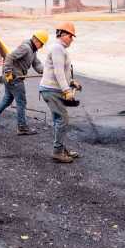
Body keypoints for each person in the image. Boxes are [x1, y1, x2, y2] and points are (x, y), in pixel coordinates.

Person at [0, 30, 47, 135]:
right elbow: (9, 56)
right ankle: (22, 127)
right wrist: (8, 72)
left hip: (12, 77)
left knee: (7, 99)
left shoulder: (33, 50)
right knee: (21, 102)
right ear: (36, 40)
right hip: (14, 78)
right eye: (42, 44)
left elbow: (37, 64)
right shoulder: (26, 47)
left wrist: (45, 71)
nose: (42, 47)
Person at [39, 22, 82, 163]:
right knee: (62, 119)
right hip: (50, 90)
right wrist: (67, 90)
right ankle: (57, 151)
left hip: (52, 89)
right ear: (63, 34)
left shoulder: (60, 49)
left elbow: (62, 72)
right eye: (71, 36)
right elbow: (58, 71)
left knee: (59, 120)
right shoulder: (58, 48)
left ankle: (61, 148)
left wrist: (71, 82)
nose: (72, 39)